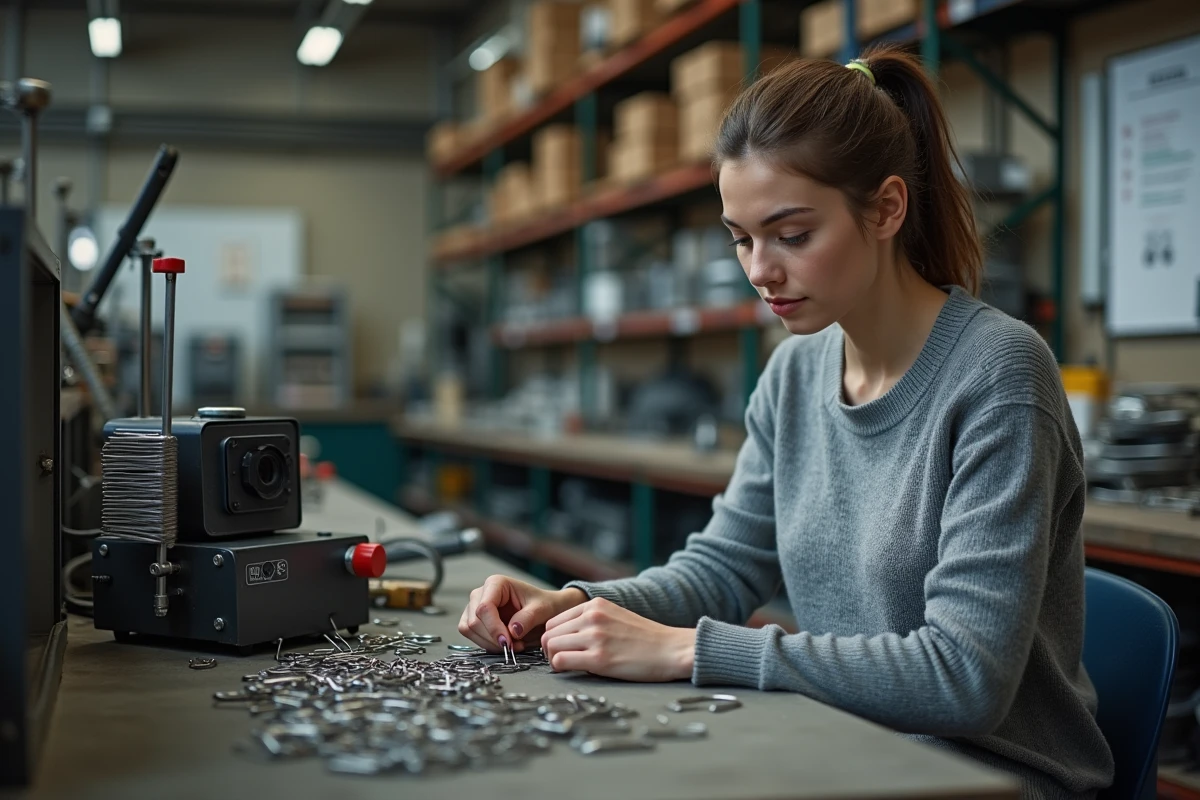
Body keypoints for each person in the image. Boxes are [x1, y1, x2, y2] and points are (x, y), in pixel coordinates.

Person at [458, 44, 1114, 798]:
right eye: (741, 238)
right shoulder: (794, 372)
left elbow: (964, 678)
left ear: (887, 209)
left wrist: (684, 652)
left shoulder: (999, 373)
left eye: (792, 235)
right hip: (845, 748)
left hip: (993, 777)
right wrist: (573, 606)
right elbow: (725, 567)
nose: (760, 270)